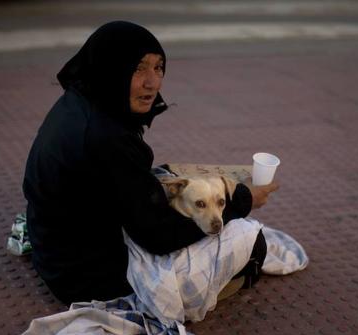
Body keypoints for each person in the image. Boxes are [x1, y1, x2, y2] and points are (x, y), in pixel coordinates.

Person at [22, 21, 279, 305]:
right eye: (137, 68)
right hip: (88, 278)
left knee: (171, 180)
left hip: (54, 253)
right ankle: (200, 296)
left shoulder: (79, 102)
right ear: (110, 68)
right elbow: (158, 237)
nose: (152, 82)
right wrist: (242, 199)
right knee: (254, 242)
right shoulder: (106, 137)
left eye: (158, 68)